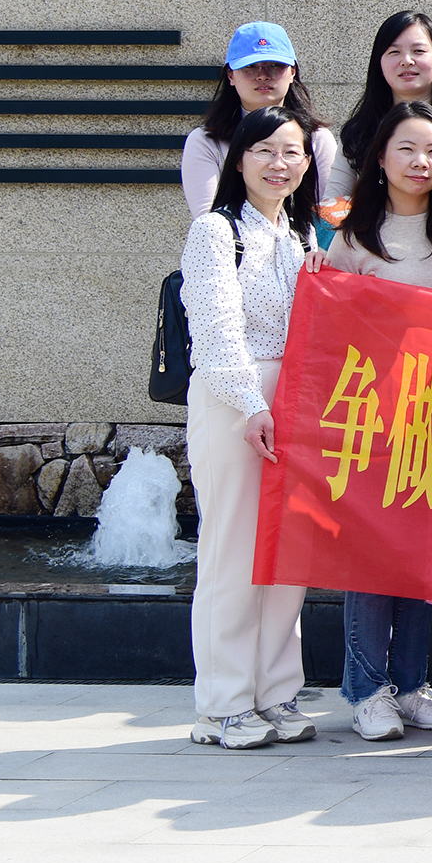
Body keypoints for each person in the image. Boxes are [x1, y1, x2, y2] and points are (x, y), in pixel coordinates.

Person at [321, 100, 432, 741]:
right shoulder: (355, 236)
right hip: (374, 418)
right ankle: (367, 689)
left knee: (421, 552)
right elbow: (330, 329)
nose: (421, 161)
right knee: (371, 552)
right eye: (407, 149)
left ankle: (411, 684)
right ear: (381, 159)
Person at [180, 107, 321, 749]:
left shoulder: (299, 235)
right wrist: (249, 404)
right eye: (264, 150)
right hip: (234, 398)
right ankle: (224, 705)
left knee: (287, 556)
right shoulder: (217, 231)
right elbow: (215, 329)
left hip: (296, 400)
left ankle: (276, 693)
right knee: (233, 553)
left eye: (291, 152)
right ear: (239, 160)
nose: (278, 163)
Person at [182, 21, 343, 219]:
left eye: (275, 66)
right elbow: (208, 219)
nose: (263, 76)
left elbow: (328, 216)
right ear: (231, 75)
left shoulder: (317, 138)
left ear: (292, 72)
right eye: (250, 67)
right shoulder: (206, 141)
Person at [328, 10, 432, 201]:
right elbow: (332, 202)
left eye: (418, 51)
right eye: (394, 52)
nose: (406, 61)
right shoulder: (358, 131)